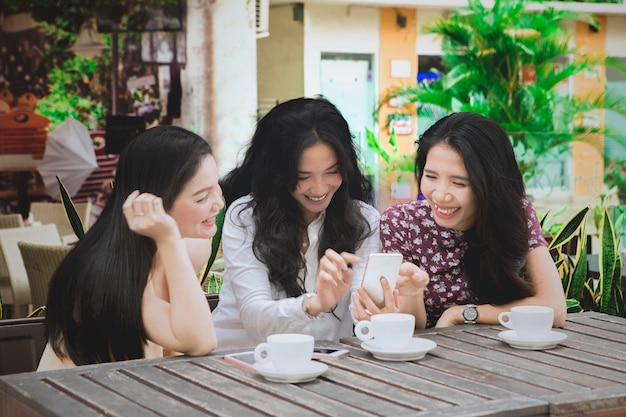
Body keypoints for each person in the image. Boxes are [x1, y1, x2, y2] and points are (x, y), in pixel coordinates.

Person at [354, 112, 566, 329]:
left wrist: (460, 314)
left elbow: (554, 308)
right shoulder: (402, 223)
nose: (440, 195)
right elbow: (413, 327)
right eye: (431, 177)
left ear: (490, 186)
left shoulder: (515, 215)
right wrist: (413, 293)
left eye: (459, 183)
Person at [38, 125, 223, 370]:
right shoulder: (106, 275)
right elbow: (201, 340)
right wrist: (168, 238)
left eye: (216, 188)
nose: (218, 204)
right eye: (202, 197)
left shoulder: (191, 249)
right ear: (155, 202)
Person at [212, 96, 381, 348]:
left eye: (332, 172)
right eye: (303, 176)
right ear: (277, 172)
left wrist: (382, 303)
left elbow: (363, 301)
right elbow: (254, 316)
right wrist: (314, 304)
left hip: (319, 364)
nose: (320, 188)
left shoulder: (363, 221)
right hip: (239, 360)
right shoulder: (246, 217)